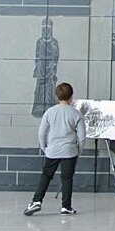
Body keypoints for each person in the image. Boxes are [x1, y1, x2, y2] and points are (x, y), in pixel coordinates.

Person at [23, 82, 86, 216]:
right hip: (70, 151)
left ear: (57, 96)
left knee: (46, 176)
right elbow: (82, 137)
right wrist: (79, 150)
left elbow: (41, 133)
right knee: (67, 178)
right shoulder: (76, 114)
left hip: (52, 150)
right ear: (71, 97)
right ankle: (66, 206)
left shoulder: (49, 112)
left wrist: (44, 147)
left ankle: (36, 201)